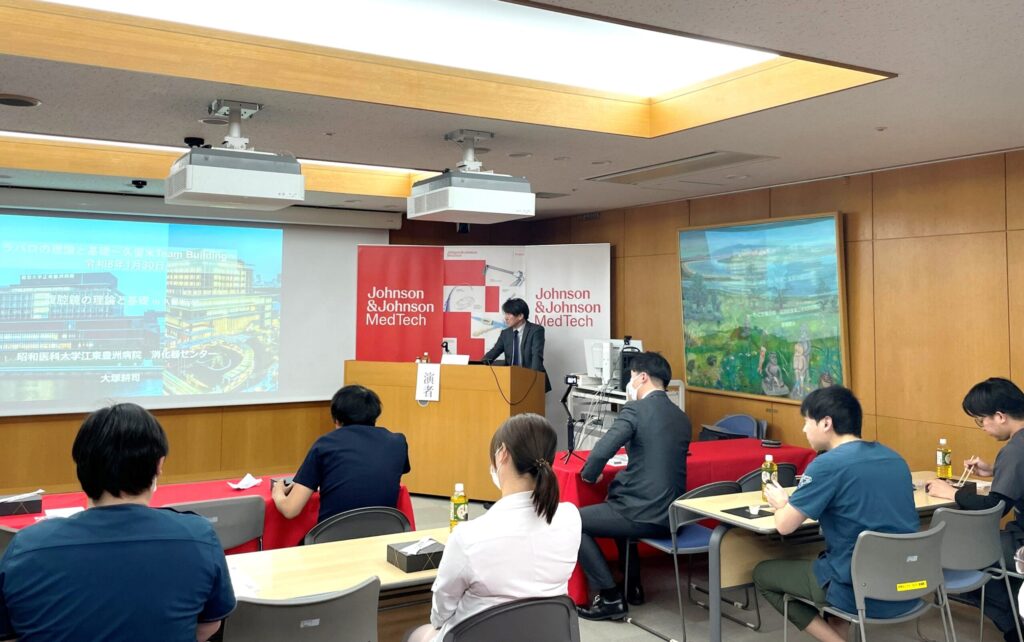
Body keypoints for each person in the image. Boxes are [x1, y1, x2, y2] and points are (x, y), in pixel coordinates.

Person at [0, 403, 235, 641]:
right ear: (159, 465)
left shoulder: (27, 547)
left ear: (81, 466)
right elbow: (209, 625)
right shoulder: (198, 537)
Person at [753, 386, 918, 642]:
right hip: (909, 584)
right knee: (834, 561)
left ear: (826, 423)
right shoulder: (895, 458)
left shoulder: (827, 465)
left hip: (857, 589)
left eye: (807, 421)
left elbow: (785, 526)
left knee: (763, 574)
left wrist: (782, 503)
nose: (804, 429)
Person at [404, 413, 581, 642]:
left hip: (476, 635)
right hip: (546, 634)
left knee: (415, 634)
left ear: (502, 453)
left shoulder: (469, 536)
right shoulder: (570, 518)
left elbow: (442, 610)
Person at [575, 351, 691, 621]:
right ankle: (633, 587)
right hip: (672, 515)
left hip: (642, 511)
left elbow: (601, 451)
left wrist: (590, 476)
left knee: (571, 521)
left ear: (642, 378)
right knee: (618, 506)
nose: (630, 383)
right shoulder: (681, 417)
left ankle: (610, 597)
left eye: (631, 377)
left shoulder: (635, 410)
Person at [925, 377, 1024, 642]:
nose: (983, 428)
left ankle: (1014, 628)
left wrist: (951, 492)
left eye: (981, 420)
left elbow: (994, 507)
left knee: (959, 555)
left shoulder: (1015, 449)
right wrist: (994, 470)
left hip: (1021, 542)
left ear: (1000, 416)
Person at [273, 384, 410, 525]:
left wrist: (278, 492)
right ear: (375, 415)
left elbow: (290, 510)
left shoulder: (325, 445)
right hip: (386, 531)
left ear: (337, 419)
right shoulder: (397, 442)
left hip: (333, 535)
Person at [483, 297, 550, 392]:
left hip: (531, 379)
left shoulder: (536, 330)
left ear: (520, 316)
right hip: (510, 380)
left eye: (509, 314)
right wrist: (481, 364)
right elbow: (494, 351)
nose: (506, 318)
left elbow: (537, 356)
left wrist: (532, 380)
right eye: (505, 314)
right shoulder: (505, 333)